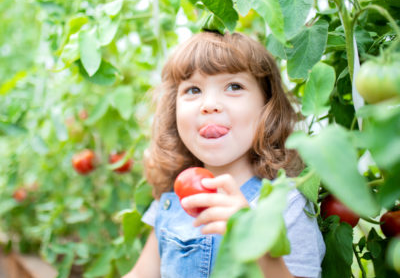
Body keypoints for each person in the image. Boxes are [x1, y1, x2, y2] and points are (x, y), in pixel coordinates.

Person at [123, 31, 325, 278]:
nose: (209, 104)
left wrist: (257, 242)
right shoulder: (172, 202)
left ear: (267, 106)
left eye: (234, 86)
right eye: (193, 90)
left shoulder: (286, 205)